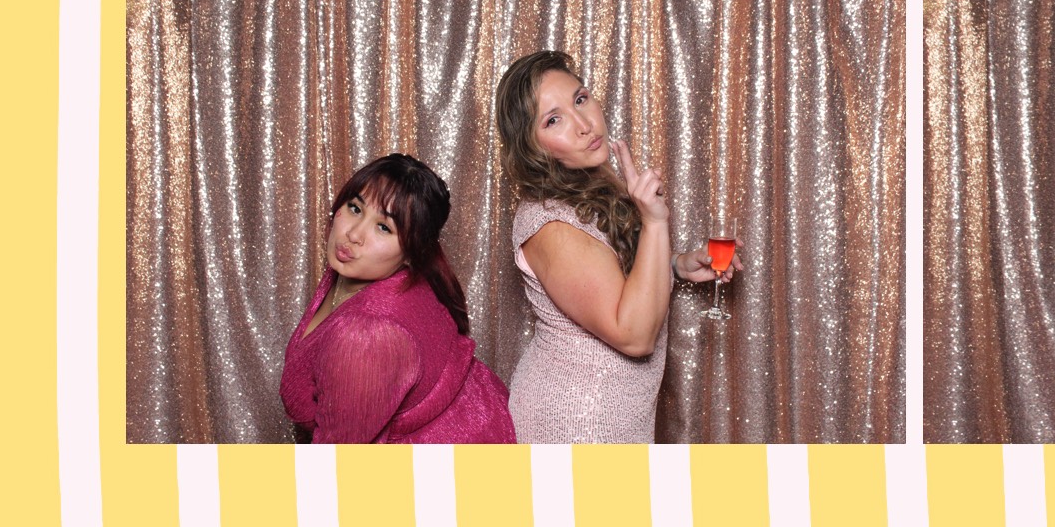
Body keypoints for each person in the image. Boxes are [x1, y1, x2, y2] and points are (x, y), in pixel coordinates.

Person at [494, 50, 735, 443]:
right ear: (532, 147)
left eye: (580, 99)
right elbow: (634, 335)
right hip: (577, 422)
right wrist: (655, 222)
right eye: (553, 120)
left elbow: (609, 273)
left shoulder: (589, 185)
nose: (584, 124)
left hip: (612, 413)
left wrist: (675, 265)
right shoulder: (550, 223)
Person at [279, 153, 515, 444]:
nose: (353, 234)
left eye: (384, 227)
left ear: (412, 254)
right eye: (355, 208)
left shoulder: (367, 335)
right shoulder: (355, 271)